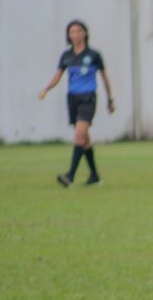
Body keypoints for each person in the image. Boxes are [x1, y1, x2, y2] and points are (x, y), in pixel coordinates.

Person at [39, 19, 114, 187]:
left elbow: (105, 78)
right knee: (84, 139)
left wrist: (110, 99)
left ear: (85, 33)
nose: (76, 34)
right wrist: (46, 89)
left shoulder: (94, 55)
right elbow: (57, 76)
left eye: (79, 31)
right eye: (72, 32)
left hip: (88, 98)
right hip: (72, 99)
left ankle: (70, 175)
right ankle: (94, 176)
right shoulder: (66, 56)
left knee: (79, 135)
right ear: (69, 36)